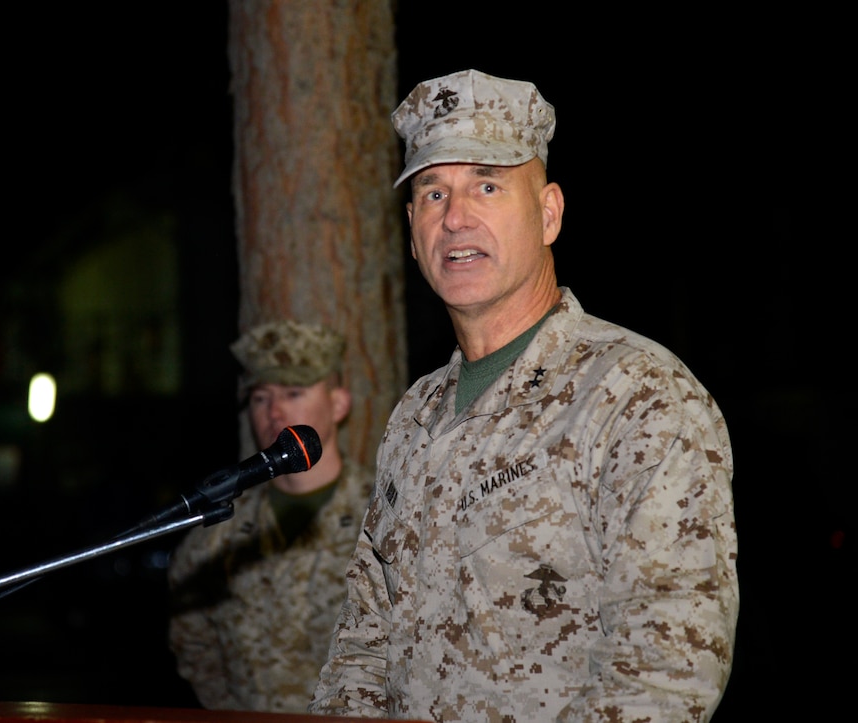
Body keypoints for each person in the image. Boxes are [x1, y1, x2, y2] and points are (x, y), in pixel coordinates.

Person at [309, 69, 739, 722]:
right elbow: (366, 641)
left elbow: (668, 671)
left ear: (548, 213)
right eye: (432, 193)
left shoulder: (638, 396)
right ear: (412, 230)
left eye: (487, 184)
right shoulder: (414, 419)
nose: (455, 217)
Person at [167, 319, 374, 713]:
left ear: (338, 404)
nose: (274, 411)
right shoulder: (218, 532)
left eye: (294, 393)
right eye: (260, 398)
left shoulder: (385, 514)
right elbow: (193, 643)